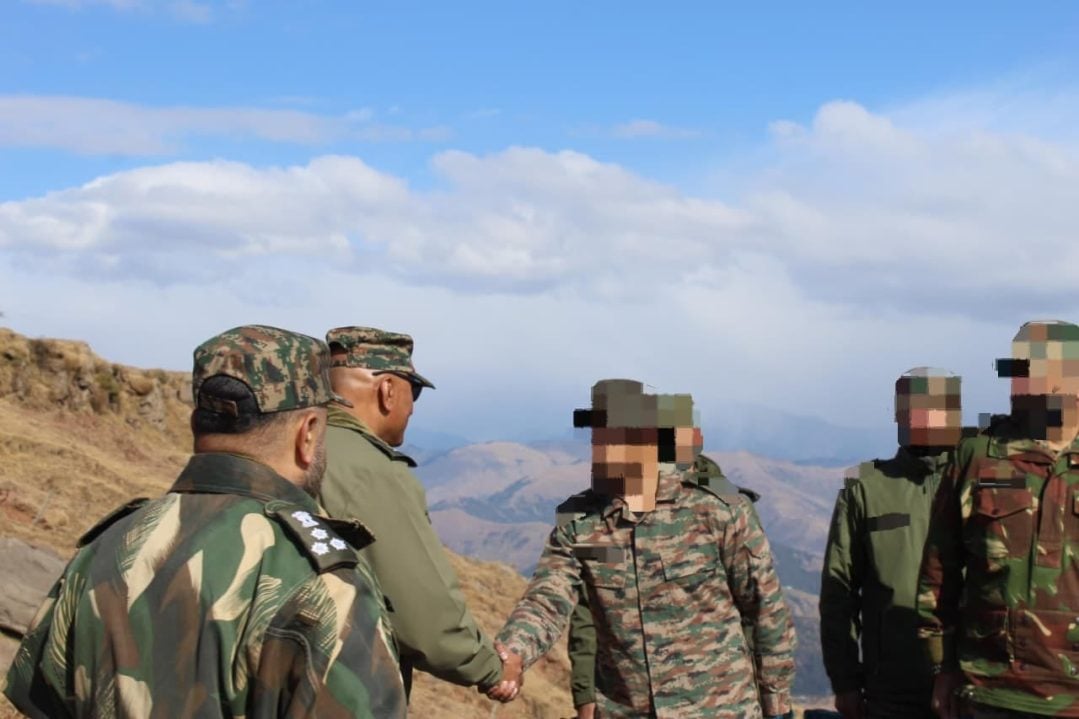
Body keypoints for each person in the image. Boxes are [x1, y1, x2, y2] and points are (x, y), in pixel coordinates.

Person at [1, 324, 406, 718]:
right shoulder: (323, 581)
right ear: (309, 433)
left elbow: (37, 696)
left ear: (197, 424)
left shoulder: (106, 547)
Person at [495, 378, 796, 718]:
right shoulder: (580, 522)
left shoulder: (716, 509)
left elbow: (766, 610)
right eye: (599, 435)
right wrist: (514, 653)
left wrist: (777, 704)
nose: (605, 447)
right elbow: (547, 600)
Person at [317, 326, 520, 702]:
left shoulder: (298, 442)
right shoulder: (370, 471)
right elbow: (426, 616)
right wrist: (490, 667)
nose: (412, 407)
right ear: (388, 390)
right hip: (337, 693)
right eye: (415, 391)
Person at [918, 320, 1079, 719]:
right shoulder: (977, 456)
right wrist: (942, 667)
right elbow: (939, 572)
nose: (1016, 381)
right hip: (991, 691)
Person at [561, 452, 761, 719]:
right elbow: (588, 609)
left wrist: (763, 687)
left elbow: (759, 608)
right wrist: (586, 696)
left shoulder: (724, 505)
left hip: (720, 697)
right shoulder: (607, 513)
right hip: (630, 699)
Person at [820, 367, 966, 719]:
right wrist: (844, 682)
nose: (925, 417)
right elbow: (838, 591)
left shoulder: (979, 481)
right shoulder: (866, 486)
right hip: (893, 686)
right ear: (899, 414)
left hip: (972, 681)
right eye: (914, 407)